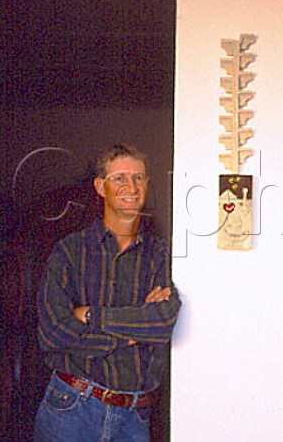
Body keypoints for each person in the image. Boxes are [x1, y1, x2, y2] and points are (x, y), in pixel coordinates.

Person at [34, 143, 181, 441]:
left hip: (135, 418)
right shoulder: (70, 251)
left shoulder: (161, 254)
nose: (131, 186)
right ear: (100, 187)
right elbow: (51, 336)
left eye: (139, 178)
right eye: (120, 178)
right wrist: (135, 330)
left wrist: (89, 315)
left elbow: (163, 322)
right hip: (72, 408)